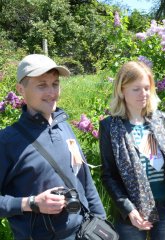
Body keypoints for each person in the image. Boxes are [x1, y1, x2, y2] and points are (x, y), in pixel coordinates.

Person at [0, 54, 106, 239]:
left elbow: (84, 180)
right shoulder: (7, 141)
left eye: (55, 84)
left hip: (84, 232)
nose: (52, 92)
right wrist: (31, 203)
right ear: (20, 89)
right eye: (42, 85)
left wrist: (101, 222)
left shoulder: (63, 126)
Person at [99, 61, 165, 240]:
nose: (143, 94)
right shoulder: (110, 126)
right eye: (136, 89)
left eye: (146, 88)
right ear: (121, 90)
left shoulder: (160, 119)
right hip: (132, 211)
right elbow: (108, 175)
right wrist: (128, 209)